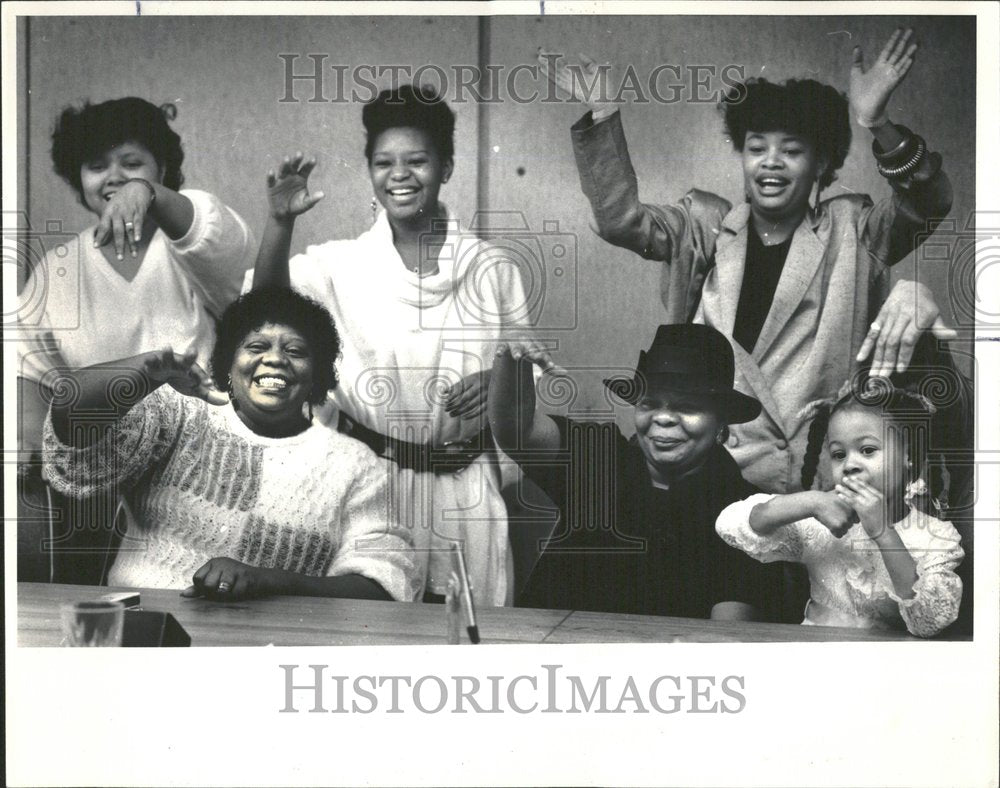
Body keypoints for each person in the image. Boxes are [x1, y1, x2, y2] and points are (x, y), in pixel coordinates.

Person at [541, 29, 957, 495]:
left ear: (821, 164)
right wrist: (603, 113)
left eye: (792, 151)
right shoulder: (705, 225)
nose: (771, 163)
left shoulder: (853, 228)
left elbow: (929, 200)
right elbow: (619, 220)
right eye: (757, 148)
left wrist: (877, 123)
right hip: (710, 472)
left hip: (811, 478)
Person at [252, 85, 532, 606]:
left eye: (417, 161)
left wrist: (498, 380)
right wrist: (279, 222)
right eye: (384, 163)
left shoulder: (492, 269)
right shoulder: (342, 264)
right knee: (367, 634)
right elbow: (265, 309)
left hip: (464, 489)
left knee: (470, 638)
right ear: (370, 173)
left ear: (446, 167)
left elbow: (526, 374)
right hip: (369, 481)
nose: (399, 175)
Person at [42, 287, 420, 602]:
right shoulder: (179, 414)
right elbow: (70, 417)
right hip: (147, 636)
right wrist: (144, 373)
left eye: (295, 351)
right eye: (256, 346)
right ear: (229, 363)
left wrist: (267, 580)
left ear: (317, 375)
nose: (274, 359)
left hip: (274, 651)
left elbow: (384, 585)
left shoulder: (354, 464)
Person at [17, 97, 254, 581]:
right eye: (96, 165)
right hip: (94, 490)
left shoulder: (192, 249)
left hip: (200, 478)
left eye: (132, 164)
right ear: (76, 177)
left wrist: (146, 192)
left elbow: (216, 231)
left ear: (162, 169)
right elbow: (30, 381)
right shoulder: (56, 269)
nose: (114, 178)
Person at [489, 323, 786, 621]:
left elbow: (726, 638)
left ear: (720, 421)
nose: (664, 418)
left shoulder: (744, 511)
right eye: (649, 403)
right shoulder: (598, 458)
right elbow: (519, 431)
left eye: (687, 406)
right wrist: (511, 358)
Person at [716, 380, 964, 637]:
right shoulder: (821, 522)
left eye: (867, 450)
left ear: (908, 456)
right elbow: (729, 525)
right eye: (838, 454)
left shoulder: (936, 535)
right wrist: (812, 501)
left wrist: (883, 532)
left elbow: (930, 622)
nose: (849, 465)